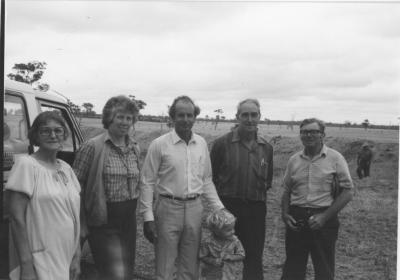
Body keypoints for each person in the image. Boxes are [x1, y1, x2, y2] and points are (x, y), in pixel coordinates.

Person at [140, 95, 225, 280]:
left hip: (195, 208)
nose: (186, 120)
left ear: (195, 117)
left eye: (190, 115)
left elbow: (207, 180)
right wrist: (148, 217)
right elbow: (147, 182)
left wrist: (220, 209)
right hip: (167, 208)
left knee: (190, 267)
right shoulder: (159, 145)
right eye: (181, 115)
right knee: (165, 266)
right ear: (172, 117)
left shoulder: (201, 144)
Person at [6, 111, 81, 280]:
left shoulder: (66, 168)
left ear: (64, 135)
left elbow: (74, 216)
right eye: (45, 131)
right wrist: (26, 265)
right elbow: (16, 219)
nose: (53, 135)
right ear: (36, 136)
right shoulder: (26, 165)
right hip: (40, 256)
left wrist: (76, 255)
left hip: (66, 252)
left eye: (58, 130)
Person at [73, 95, 141, 280]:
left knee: (126, 271)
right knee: (114, 274)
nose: (125, 122)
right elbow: (76, 187)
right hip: (103, 222)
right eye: (120, 117)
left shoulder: (134, 147)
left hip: (128, 221)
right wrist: (82, 224)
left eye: (129, 118)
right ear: (109, 118)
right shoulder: (92, 146)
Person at [281, 118, 354, 280]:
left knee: (324, 269)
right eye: (304, 132)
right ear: (300, 135)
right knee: (293, 268)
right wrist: (285, 215)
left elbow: (348, 192)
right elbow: (286, 190)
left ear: (322, 135)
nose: (309, 135)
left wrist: (324, 217)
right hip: (297, 218)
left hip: (324, 220)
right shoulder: (294, 160)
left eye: (314, 132)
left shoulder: (336, 158)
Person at [210, 98, 273, 280]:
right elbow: (210, 178)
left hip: (255, 209)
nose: (250, 119)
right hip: (227, 209)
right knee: (220, 256)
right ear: (237, 117)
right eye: (245, 115)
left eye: (254, 115)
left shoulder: (266, 147)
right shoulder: (222, 144)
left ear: (260, 117)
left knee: (253, 258)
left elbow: (267, 181)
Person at [199, 209, 245, 280]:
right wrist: (213, 261)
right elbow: (202, 256)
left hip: (231, 274)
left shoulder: (235, 241)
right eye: (228, 230)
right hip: (212, 275)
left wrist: (230, 257)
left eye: (233, 228)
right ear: (217, 231)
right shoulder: (207, 242)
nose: (233, 232)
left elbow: (242, 255)